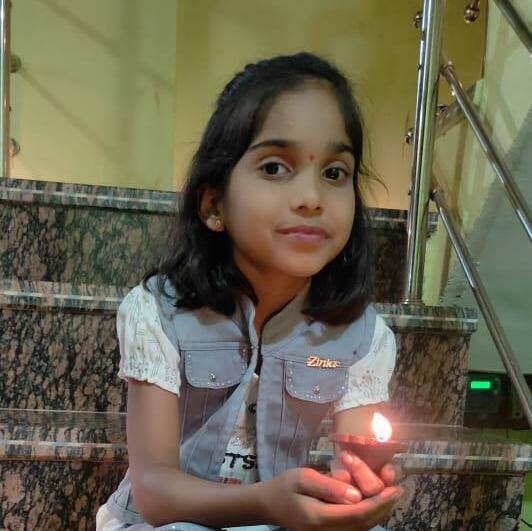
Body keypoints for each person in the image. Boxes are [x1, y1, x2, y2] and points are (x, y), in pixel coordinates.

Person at [96, 51, 403, 531]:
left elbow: (354, 470)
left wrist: (358, 493)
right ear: (214, 205)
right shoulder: (159, 313)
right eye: (275, 168)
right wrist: (266, 503)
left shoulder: (361, 336)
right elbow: (153, 491)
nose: (311, 198)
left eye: (334, 172)